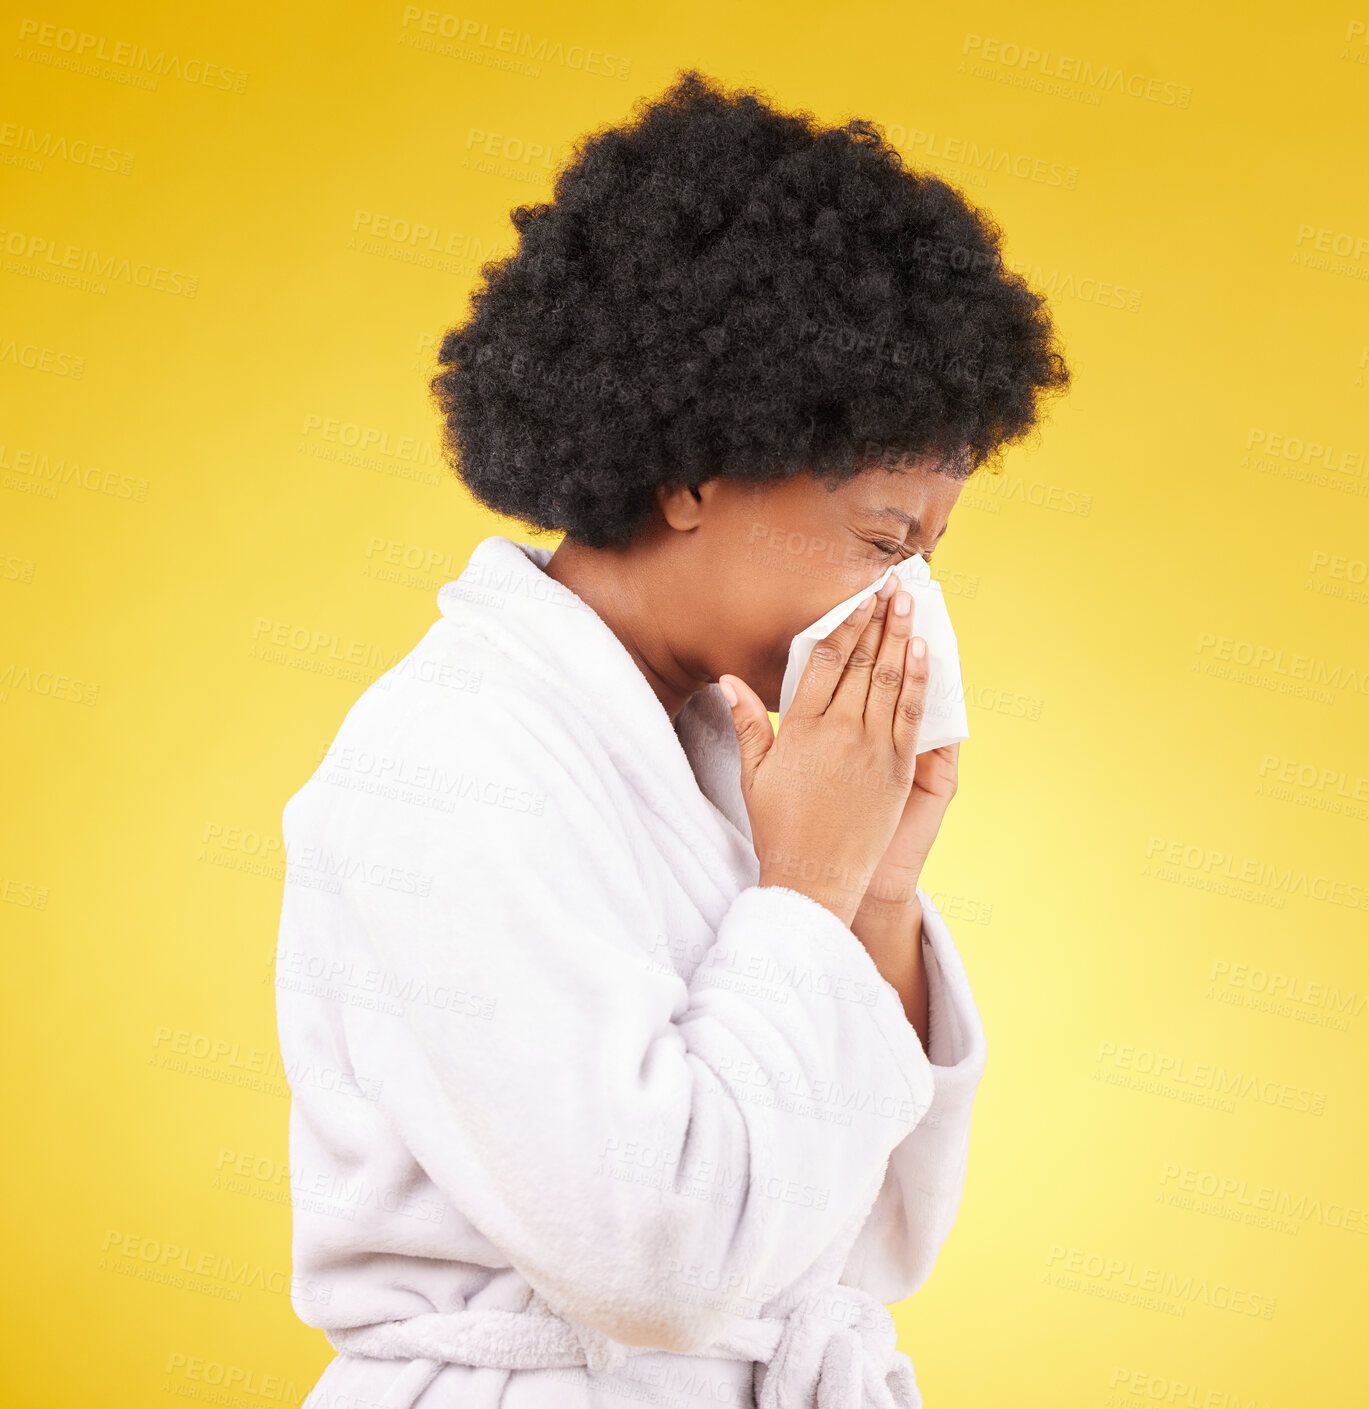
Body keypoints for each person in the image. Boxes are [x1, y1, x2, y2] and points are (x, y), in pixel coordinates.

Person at [274, 68, 1070, 1409]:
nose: (906, 605)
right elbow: (657, 1260)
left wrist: (871, 896)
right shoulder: (450, 758)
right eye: (882, 541)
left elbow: (863, 1246)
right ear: (694, 467)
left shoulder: (726, 758)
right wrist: (807, 893)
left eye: (928, 555)